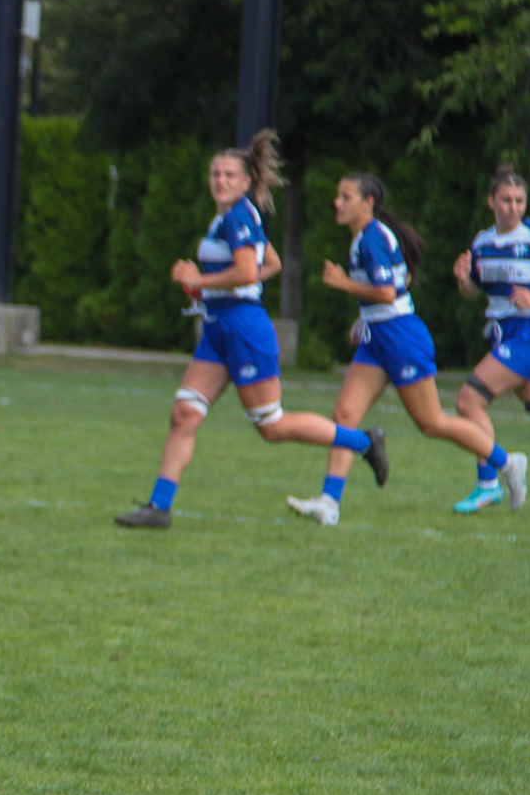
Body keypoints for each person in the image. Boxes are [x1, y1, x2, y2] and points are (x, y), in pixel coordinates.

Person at [115, 130, 387, 529]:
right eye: (216, 173)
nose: (220, 180)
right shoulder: (228, 217)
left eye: (229, 175)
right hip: (218, 328)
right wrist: (209, 287)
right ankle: (159, 507)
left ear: (246, 182)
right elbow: (269, 263)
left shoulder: (239, 216)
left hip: (243, 328)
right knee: (184, 414)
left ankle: (363, 442)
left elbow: (246, 271)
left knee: (272, 426)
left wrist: (200, 279)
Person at [284, 174, 519, 526]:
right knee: (345, 414)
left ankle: (508, 463)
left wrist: (343, 283)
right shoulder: (366, 236)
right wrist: (365, 319)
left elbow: (387, 293)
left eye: (346, 196)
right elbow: (396, 285)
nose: (337, 202)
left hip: (400, 338)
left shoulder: (373, 238)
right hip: (378, 337)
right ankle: (329, 503)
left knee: (432, 422)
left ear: (367, 203)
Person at [448, 164, 530, 512]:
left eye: (519, 201)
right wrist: (463, 280)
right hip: (504, 337)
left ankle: (489, 485)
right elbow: (474, 293)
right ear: (491, 201)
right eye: (506, 200)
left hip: (529, 336)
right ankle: (491, 483)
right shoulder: (482, 242)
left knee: (469, 401)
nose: (513, 207)